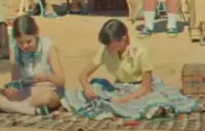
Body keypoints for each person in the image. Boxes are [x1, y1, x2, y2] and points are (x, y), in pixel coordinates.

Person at [65, 19, 197, 120]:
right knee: (96, 86)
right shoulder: (105, 50)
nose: (108, 48)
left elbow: (145, 88)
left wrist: (123, 99)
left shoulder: (140, 52)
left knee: (155, 102)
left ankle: (118, 108)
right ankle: (117, 107)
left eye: (110, 44)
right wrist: (87, 87)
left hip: (139, 90)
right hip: (119, 88)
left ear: (122, 39)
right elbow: (83, 74)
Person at [0, 15, 64, 116]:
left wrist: (46, 77)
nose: (25, 46)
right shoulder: (15, 49)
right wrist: (14, 88)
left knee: (48, 98)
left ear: (36, 33)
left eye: (28, 41)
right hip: (25, 90)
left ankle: (12, 107)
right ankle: (34, 110)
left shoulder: (48, 47)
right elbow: (15, 77)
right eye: (20, 42)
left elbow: (61, 80)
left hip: (47, 89)